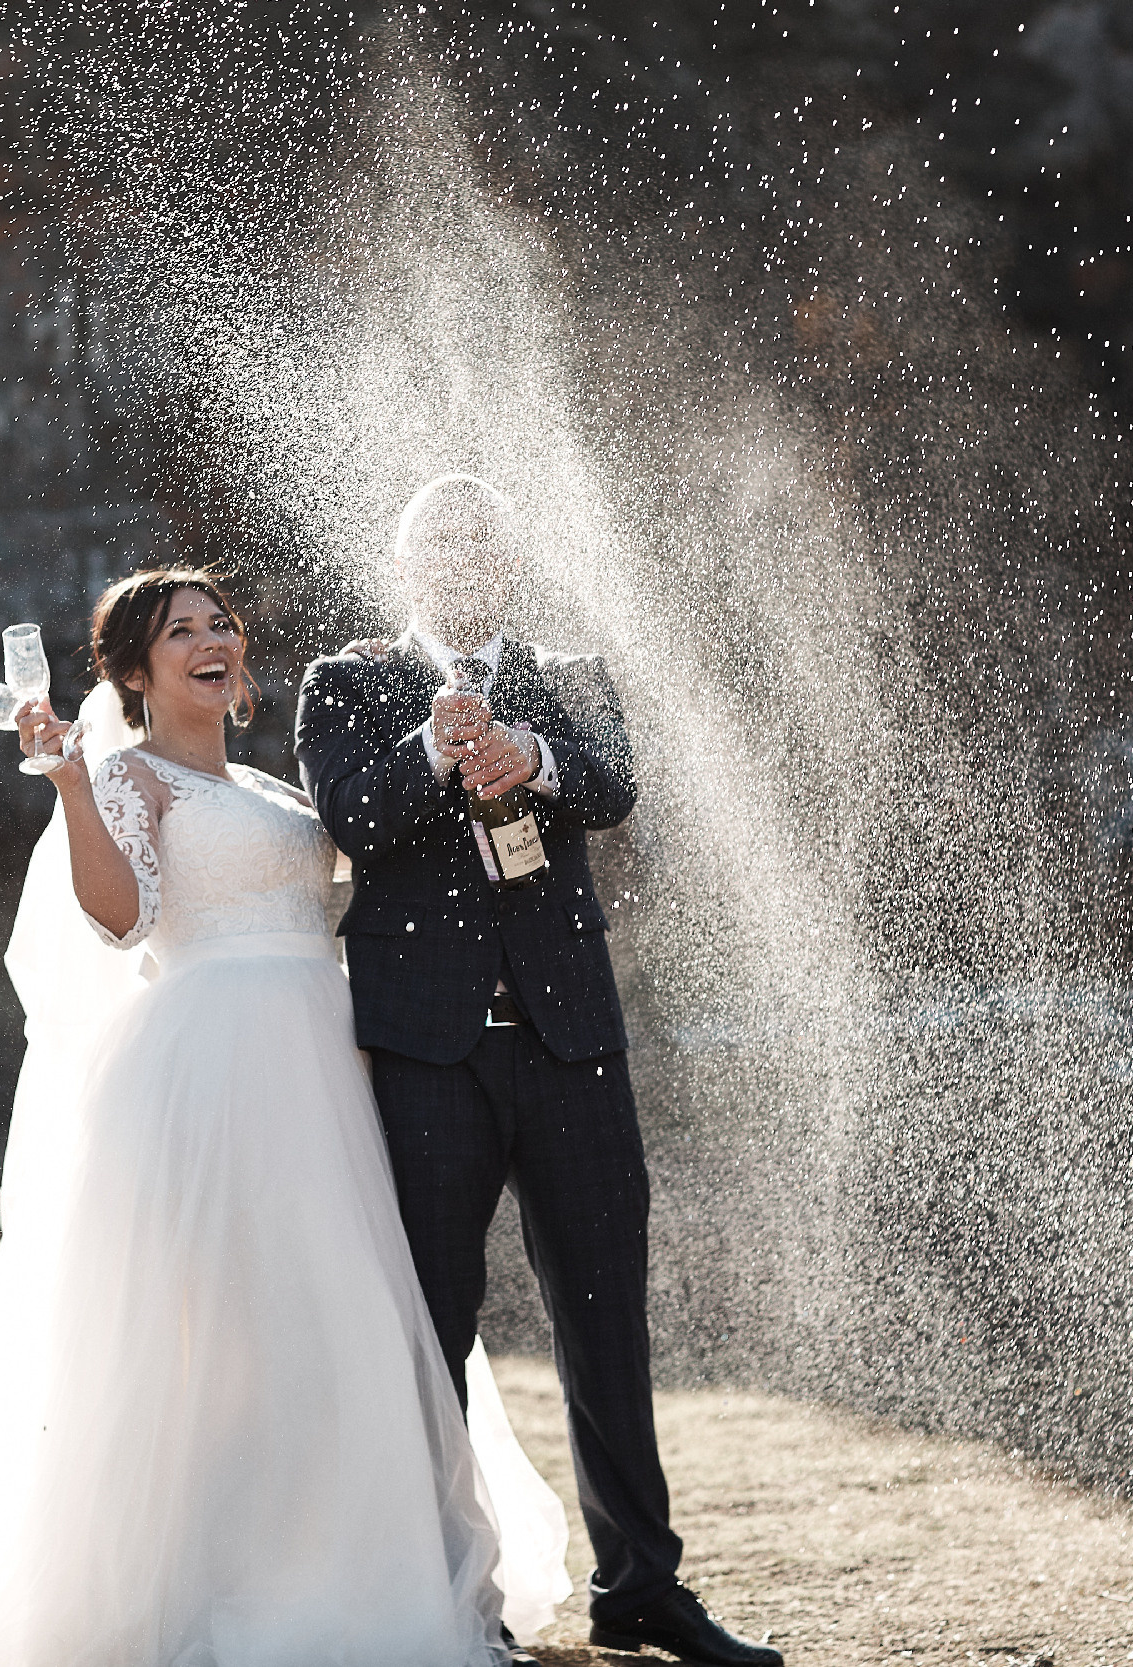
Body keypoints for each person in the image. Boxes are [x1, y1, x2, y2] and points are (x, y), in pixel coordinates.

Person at [0, 569, 566, 1667]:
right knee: (228, 1332)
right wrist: (70, 787)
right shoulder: (126, 776)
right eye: (178, 630)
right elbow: (122, 919)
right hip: (215, 1069)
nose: (211, 638)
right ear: (135, 673)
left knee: (346, 1313)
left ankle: (357, 1566)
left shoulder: (277, 788)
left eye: (220, 622)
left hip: (323, 1061)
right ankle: (222, 1580)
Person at [294, 475, 782, 1667]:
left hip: (572, 1043)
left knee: (606, 1315)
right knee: (434, 1325)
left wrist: (533, 755)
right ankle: (443, 1593)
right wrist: (435, 745)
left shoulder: (569, 673)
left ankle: (642, 1587)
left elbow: (615, 787)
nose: (462, 556)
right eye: (438, 540)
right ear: (404, 565)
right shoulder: (347, 681)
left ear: (511, 561)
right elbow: (351, 816)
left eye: (482, 539)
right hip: (425, 1051)